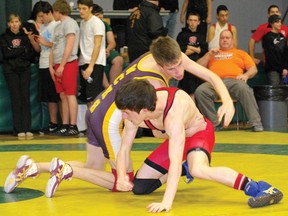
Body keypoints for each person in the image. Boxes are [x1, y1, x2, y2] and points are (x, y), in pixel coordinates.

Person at [4, 36, 234, 198]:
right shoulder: (152, 81)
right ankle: (65, 169)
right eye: (172, 69)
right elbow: (150, 126)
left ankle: (33, 167)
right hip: (110, 121)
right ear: (160, 63)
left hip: (97, 111)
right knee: (123, 181)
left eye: (179, 66)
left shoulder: (167, 53)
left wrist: (226, 101)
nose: (179, 73)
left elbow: (210, 76)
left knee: (93, 166)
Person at [114, 79, 283, 213]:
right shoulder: (136, 109)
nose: (123, 116)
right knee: (140, 187)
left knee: (198, 170)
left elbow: (173, 162)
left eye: (127, 112)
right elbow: (124, 149)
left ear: (143, 109)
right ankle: (185, 166)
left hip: (198, 133)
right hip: (176, 137)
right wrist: (121, 175)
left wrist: (166, 202)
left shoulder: (174, 113)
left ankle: (259, 187)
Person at [196, 29, 264, 132]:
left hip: (234, 81)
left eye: (227, 38)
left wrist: (246, 75)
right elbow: (197, 67)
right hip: (215, 82)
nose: (224, 40)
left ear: (232, 40)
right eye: (222, 38)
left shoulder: (240, 53)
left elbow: (253, 69)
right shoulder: (212, 53)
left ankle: (256, 123)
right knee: (200, 91)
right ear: (219, 40)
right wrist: (209, 55)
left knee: (244, 88)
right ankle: (215, 125)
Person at [0, 14, 39, 137]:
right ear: (8, 24)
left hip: (24, 70)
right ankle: (18, 129)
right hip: (11, 71)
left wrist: (15, 52)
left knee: (25, 97)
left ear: (20, 23)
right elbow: (6, 54)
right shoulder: (4, 37)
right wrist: (21, 50)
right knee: (16, 98)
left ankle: (27, 128)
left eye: (16, 21)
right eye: (12, 22)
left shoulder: (25, 37)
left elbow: (31, 54)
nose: (14, 24)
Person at [49, 0, 80, 136]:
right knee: (62, 95)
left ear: (57, 11)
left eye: (53, 12)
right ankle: (65, 124)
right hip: (58, 64)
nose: (52, 15)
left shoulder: (70, 23)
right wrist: (51, 66)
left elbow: (70, 45)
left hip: (68, 63)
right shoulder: (57, 27)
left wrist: (62, 64)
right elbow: (53, 47)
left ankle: (73, 125)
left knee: (70, 94)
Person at [37, 1, 60, 134]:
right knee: (48, 96)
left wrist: (45, 42)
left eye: (42, 16)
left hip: (52, 63)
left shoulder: (56, 25)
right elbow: (41, 48)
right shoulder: (42, 27)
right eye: (39, 17)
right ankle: (52, 123)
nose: (41, 19)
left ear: (49, 13)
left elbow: (57, 45)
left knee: (56, 95)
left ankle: (61, 123)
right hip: (43, 62)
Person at [77, 0, 106, 105]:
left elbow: (97, 45)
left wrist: (91, 66)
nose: (81, 11)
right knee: (87, 99)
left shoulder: (97, 23)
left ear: (91, 8)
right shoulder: (82, 23)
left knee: (93, 99)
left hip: (94, 64)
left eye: (84, 9)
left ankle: (96, 121)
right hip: (83, 62)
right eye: (79, 8)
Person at [176, 12, 208, 99]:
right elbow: (180, 51)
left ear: (199, 22)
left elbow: (204, 51)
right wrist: (197, 49)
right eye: (190, 20)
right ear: (187, 21)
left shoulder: (201, 36)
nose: (193, 23)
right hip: (185, 67)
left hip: (198, 66)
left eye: (195, 20)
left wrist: (191, 48)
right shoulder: (181, 35)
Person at [92, 3, 124, 88]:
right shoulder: (89, 25)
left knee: (118, 59)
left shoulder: (105, 25)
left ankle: (113, 86)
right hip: (93, 51)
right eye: (97, 15)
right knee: (98, 62)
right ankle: (108, 88)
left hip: (105, 50)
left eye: (101, 14)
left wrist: (108, 49)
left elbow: (112, 42)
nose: (101, 17)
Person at [262, 15, 288, 85]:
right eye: (277, 22)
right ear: (271, 23)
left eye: (280, 22)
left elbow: (285, 52)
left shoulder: (282, 36)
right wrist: (280, 69)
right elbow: (270, 56)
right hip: (272, 69)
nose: (280, 24)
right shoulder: (267, 37)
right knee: (275, 90)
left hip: (283, 69)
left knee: (284, 91)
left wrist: (285, 68)